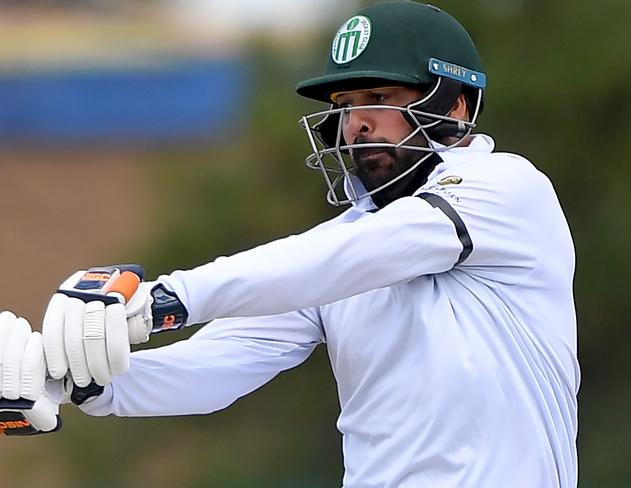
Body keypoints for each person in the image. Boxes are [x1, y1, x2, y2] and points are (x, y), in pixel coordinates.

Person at [0, 2, 579, 486]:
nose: (358, 124)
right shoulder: (339, 253)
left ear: (454, 105)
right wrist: (79, 381)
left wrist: (164, 299)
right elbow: (218, 367)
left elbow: (363, 254)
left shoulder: (507, 189)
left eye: (379, 96)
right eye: (346, 107)